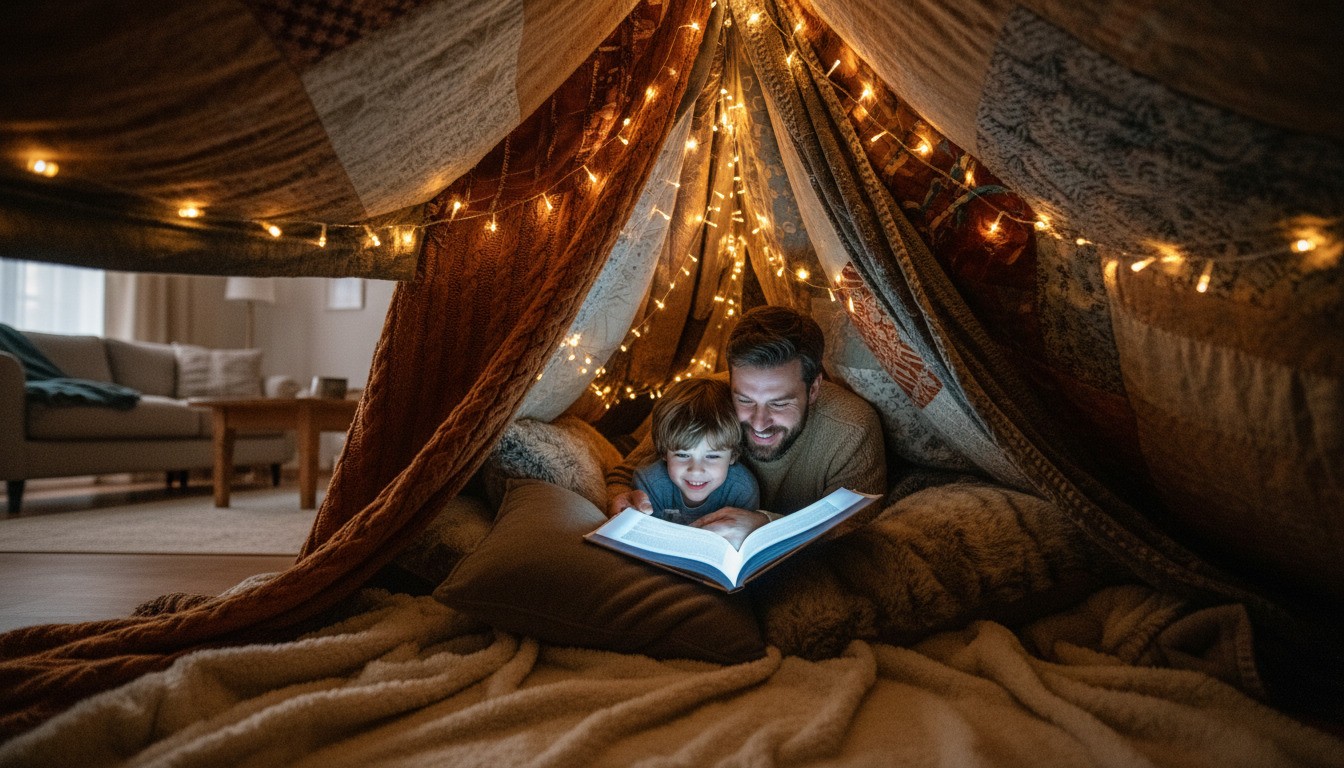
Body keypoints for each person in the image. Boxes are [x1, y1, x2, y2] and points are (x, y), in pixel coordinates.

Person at [607, 305, 886, 547]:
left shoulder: (852, 430)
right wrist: (622, 500)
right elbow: (623, 476)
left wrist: (765, 527)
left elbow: (852, 538)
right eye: (744, 400)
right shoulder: (706, 400)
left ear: (813, 389)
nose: (759, 422)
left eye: (779, 403)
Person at [628, 377, 759, 525]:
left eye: (712, 456)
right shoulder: (649, 483)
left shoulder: (742, 490)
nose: (696, 470)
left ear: (733, 455)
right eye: (683, 455)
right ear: (664, 452)